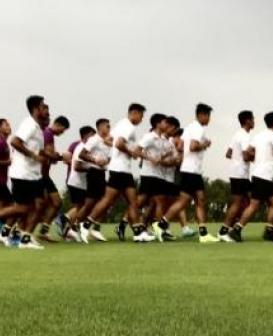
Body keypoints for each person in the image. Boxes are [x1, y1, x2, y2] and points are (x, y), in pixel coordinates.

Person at [80, 103, 155, 243]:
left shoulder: (121, 124)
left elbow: (109, 140)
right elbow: (120, 143)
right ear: (134, 113)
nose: (142, 119)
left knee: (132, 202)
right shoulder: (129, 127)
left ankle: (138, 233)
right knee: (110, 200)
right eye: (141, 116)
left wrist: (119, 149)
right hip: (121, 170)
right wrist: (130, 152)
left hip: (119, 168)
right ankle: (85, 225)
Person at [0, 95, 50, 249]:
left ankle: (24, 237)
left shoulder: (37, 128)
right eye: (43, 107)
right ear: (35, 109)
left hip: (33, 174)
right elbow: (15, 141)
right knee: (25, 207)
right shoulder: (30, 124)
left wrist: (44, 156)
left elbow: (36, 149)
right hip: (23, 173)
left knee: (39, 204)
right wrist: (33, 155)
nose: (46, 110)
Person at [156, 103, 219, 243]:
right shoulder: (198, 129)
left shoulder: (190, 127)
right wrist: (205, 144)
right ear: (202, 115)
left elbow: (180, 145)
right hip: (192, 170)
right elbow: (193, 146)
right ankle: (161, 225)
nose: (209, 119)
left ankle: (203, 234)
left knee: (199, 200)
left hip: (189, 169)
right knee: (187, 201)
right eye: (208, 116)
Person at [228, 111, 273, 242]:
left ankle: (270, 231)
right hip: (264, 176)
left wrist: (261, 158)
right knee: (254, 205)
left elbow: (248, 153)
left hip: (260, 174)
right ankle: (236, 230)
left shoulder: (259, 135)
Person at [218, 110, 254, 242]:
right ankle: (224, 230)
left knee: (247, 202)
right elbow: (245, 156)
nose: (254, 121)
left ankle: (230, 228)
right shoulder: (245, 136)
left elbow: (228, 153)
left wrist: (237, 158)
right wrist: (257, 157)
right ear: (247, 121)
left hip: (237, 173)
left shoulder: (236, 134)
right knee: (240, 203)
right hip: (240, 174)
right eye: (252, 119)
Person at [36, 115, 70, 243]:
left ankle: (43, 231)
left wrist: (57, 158)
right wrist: (62, 156)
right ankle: (15, 230)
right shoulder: (48, 133)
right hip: (38, 175)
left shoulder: (48, 134)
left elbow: (49, 156)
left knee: (55, 203)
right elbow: (46, 153)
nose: (63, 132)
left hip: (45, 176)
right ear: (58, 125)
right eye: (63, 129)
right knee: (37, 206)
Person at [66, 126, 97, 240]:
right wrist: (92, 169)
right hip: (77, 183)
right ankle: (71, 230)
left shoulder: (83, 147)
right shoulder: (82, 147)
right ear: (85, 136)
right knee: (82, 208)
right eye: (92, 135)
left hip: (79, 183)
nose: (94, 138)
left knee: (81, 208)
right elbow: (77, 166)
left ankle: (70, 232)